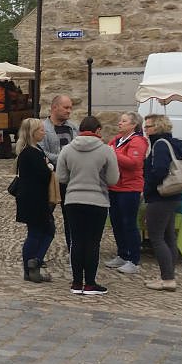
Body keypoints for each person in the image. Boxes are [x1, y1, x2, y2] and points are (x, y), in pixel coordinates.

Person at [56, 116, 119, 295]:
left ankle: (76, 283)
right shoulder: (106, 151)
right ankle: (90, 283)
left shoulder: (67, 149)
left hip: (73, 200)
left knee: (77, 241)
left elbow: (61, 177)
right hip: (97, 201)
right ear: (98, 130)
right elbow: (113, 179)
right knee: (92, 242)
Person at [142, 114, 182, 291]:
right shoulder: (174, 143)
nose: (146, 130)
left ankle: (168, 279)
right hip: (173, 196)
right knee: (169, 237)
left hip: (160, 196)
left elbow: (159, 171)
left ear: (158, 127)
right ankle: (168, 274)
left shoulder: (160, 145)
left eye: (149, 126)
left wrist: (149, 188)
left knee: (157, 237)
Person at [105, 111, 147, 274]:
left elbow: (134, 163)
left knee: (129, 223)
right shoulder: (116, 140)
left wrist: (112, 154)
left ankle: (134, 259)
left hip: (129, 188)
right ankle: (122, 254)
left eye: (124, 121)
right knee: (116, 222)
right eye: (120, 120)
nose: (120, 123)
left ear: (133, 125)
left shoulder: (138, 141)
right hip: (114, 186)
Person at [14, 118, 55, 283]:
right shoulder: (30, 152)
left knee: (43, 231)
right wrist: (50, 168)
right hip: (34, 199)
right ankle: (33, 263)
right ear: (33, 133)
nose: (43, 133)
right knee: (39, 232)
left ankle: (32, 266)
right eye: (41, 130)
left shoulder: (35, 149)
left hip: (34, 198)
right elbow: (43, 174)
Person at [38, 94, 79, 249]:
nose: (69, 111)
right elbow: (41, 151)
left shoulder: (73, 127)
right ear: (54, 107)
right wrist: (65, 157)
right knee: (45, 217)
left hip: (71, 180)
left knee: (72, 218)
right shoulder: (43, 128)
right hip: (51, 179)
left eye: (70, 107)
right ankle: (37, 253)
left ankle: (73, 251)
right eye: (66, 107)